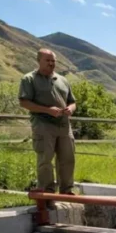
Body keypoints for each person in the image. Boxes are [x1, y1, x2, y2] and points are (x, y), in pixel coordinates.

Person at [19, 49, 77, 194]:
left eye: (53, 61)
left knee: (67, 158)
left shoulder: (62, 80)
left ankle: (67, 190)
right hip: (43, 124)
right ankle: (47, 192)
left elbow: (72, 102)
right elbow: (24, 102)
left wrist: (70, 109)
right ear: (39, 61)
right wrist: (47, 110)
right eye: (48, 60)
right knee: (45, 159)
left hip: (64, 125)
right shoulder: (29, 79)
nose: (51, 63)